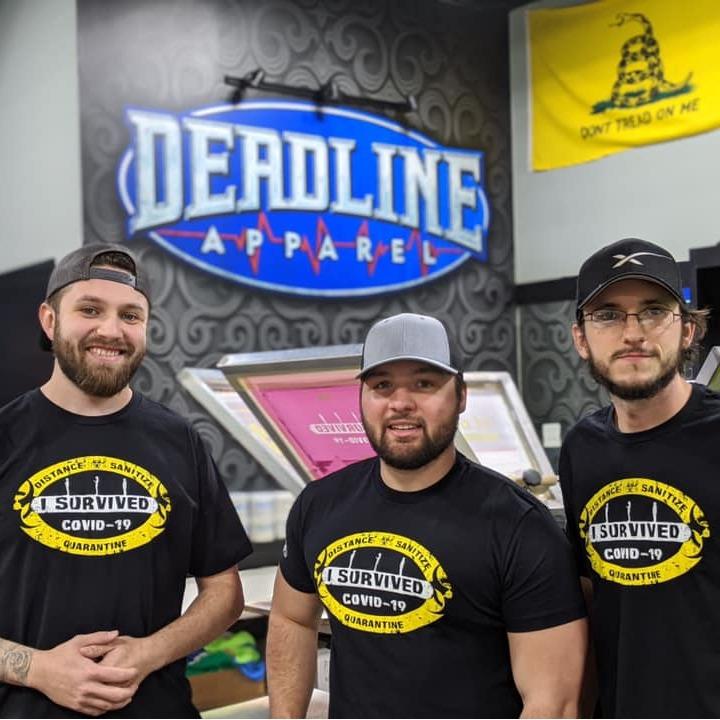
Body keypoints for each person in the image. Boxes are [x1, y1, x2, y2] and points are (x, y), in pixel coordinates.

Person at [267, 312, 588, 718]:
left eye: (424, 384)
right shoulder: (319, 505)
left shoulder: (519, 526)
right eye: (382, 385)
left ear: (461, 396)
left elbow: (552, 703)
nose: (401, 403)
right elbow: (292, 619)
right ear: (362, 396)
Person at [0, 243, 252, 718]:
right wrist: (38, 669)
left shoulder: (180, 441)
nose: (111, 331)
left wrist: (148, 653)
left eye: (130, 316)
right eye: (90, 310)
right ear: (49, 321)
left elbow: (225, 593)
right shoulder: (6, 436)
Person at [561, 237, 717, 717]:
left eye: (653, 311)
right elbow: (590, 596)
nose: (632, 333)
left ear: (687, 330)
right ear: (581, 339)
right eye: (608, 315)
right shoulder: (581, 448)